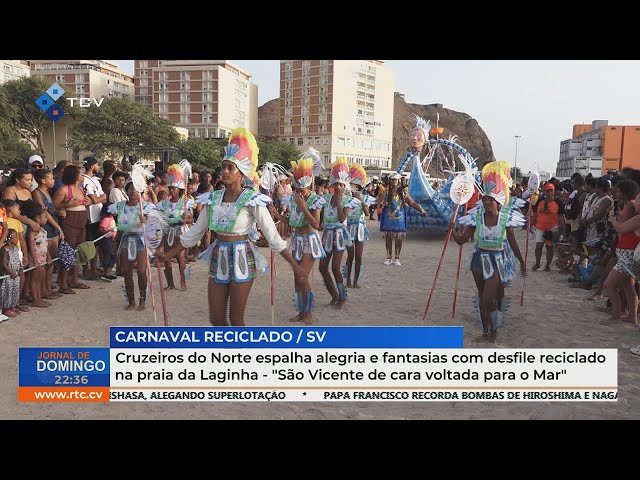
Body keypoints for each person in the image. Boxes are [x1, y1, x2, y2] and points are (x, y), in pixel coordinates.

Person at [157, 128, 309, 326]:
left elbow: (272, 236)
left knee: (236, 320)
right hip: (218, 257)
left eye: (231, 167)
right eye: (224, 167)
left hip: (242, 257)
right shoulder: (213, 199)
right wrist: (168, 255)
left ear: (241, 173)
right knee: (216, 319)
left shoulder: (252, 200)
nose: (225, 171)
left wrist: (296, 267)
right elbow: (195, 233)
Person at [449, 161, 527, 344]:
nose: (486, 202)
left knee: (487, 299)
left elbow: (514, 243)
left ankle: (494, 332)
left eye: (490, 200)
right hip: (478, 260)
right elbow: (461, 240)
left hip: (497, 260)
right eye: (484, 199)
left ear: (498, 202)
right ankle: (486, 331)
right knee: (483, 296)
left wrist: (522, 262)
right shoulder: (476, 218)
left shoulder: (505, 220)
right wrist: (453, 230)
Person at [269, 155, 326, 324]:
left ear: (308, 185)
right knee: (296, 278)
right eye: (297, 188)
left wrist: (303, 206)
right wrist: (277, 214)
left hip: (309, 240)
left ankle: (308, 313)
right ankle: (301, 312)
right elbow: (291, 221)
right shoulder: (294, 198)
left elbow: (316, 224)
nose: (299, 192)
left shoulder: (315, 199)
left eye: (302, 189)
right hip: (297, 240)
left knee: (302, 277)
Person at [108, 182, 157, 311]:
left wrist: (146, 221)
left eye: (136, 189)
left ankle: (142, 299)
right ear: (126, 190)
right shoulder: (121, 206)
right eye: (130, 188)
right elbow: (120, 226)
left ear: (140, 191)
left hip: (141, 239)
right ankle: (131, 301)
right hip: (126, 239)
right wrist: (116, 242)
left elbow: (155, 225)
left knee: (141, 271)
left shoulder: (146, 206)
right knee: (127, 271)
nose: (133, 191)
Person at [318, 157, 360, 308]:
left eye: (341, 185)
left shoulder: (347, 200)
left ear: (345, 186)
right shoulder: (326, 198)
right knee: (322, 267)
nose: (338, 187)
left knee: (335, 267)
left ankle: (342, 297)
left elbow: (342, 219)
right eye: (336, 184)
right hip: (327, 235)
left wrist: (340, 200)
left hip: (339, 236)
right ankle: (333, 294)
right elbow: (321, 219)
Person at [52, 165, 91, 293]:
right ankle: (63, 283)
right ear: (74, 175)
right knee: (68, 252)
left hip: (81, 223)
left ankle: (73, 280)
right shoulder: (64, 189)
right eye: (80, 174)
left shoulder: (79, 188)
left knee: (78, 252)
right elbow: (54, 206)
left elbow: (87, 202)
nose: (82, 175)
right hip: (69, 223)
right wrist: (67, 205)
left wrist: (87, 201)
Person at [156, 163, 194, 291]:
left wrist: (185, 219)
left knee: (180, 258)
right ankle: (170, 283)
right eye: (170, 188)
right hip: (168, 232)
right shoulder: (163, 203)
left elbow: (191, 219)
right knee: (166, 258)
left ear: (179, 189)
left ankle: (183, 282)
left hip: (180, 232)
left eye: (174, 188)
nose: (171, 190)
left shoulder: (185, 202)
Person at [379, 172, 427, 265]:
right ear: (390, 180)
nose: (394, 182)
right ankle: (389, 258)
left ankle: (397, 258)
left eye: (396, 180)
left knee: (399, 238)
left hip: (399, 219)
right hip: (388, 218)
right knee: (388, 237)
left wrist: (421, 210)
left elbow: (412, 203)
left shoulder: (403, 192)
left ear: (398, 181)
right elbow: (379, 202)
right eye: (392, 180)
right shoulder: (386, 192)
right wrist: (383, 204)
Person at [344, 162, 372, 288]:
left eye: (355, 186)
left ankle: (356, 281)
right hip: (349, 227)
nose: (353, 187)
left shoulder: (364, 197)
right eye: (351, 185)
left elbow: (366, 213)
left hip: (360, 228)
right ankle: (348, 280)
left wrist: (360, 199)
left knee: (359, 256)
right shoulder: (345, 198)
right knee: (350, 255)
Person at [531, 183, 564, 271]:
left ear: (554, 191)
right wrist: (531, 223)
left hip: (552, 228)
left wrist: (563, 229)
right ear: (545, 192)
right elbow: (535, 213)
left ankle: (547, 265)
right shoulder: (540, 201)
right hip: (540, 227)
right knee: (539, 246)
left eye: (551, 191)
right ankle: (537, 264)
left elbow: (561, 216)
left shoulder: (558, 202)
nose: (550, 193)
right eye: (548, 191)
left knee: (549, 247)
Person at [0, 229, 23, 318]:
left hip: (16, 275)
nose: (17, 238)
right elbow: (4, 264)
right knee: (8, 292)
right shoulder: (5, 250)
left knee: (15, 291)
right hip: (8, 276)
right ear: (9, 239)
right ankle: (6, 309)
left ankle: (12, 306)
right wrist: (11, 272)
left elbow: (18, 259)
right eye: (16, 236)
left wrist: (21, 268)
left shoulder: (16, 248)